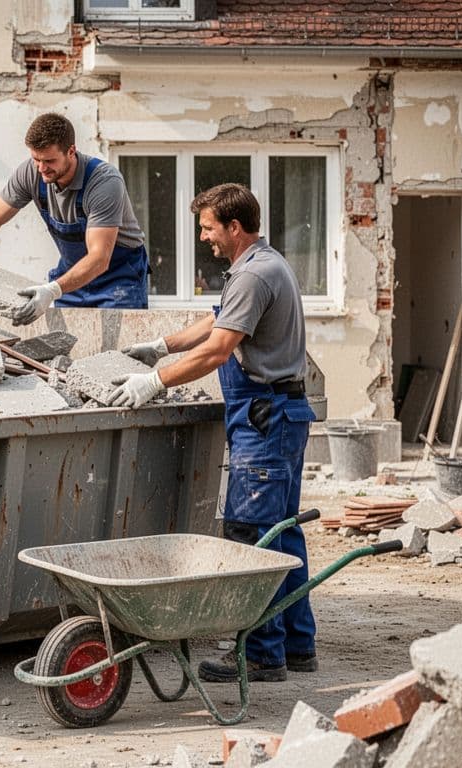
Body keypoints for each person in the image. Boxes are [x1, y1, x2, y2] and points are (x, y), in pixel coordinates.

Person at [108, 183, 316, 683]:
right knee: (283, 534)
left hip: (264, 420)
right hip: (280, 415)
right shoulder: (260, 265)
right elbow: (214, 322)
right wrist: (159, 345)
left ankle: (263, 654)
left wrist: (154, 381)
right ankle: (297, 645)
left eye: (207, 228)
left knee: (251, 536)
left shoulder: (254, 275)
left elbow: (218, 349)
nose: (204, 237)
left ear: (234, 227)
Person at [0, 112, 149, 322]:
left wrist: (52, 290)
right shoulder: (31, 174)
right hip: (72, 277)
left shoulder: (104, 183)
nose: (41, 168)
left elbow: (99, 258)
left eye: (49, 160)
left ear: (71, 151)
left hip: (118, 280)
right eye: (36, 159)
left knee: (117, 352)